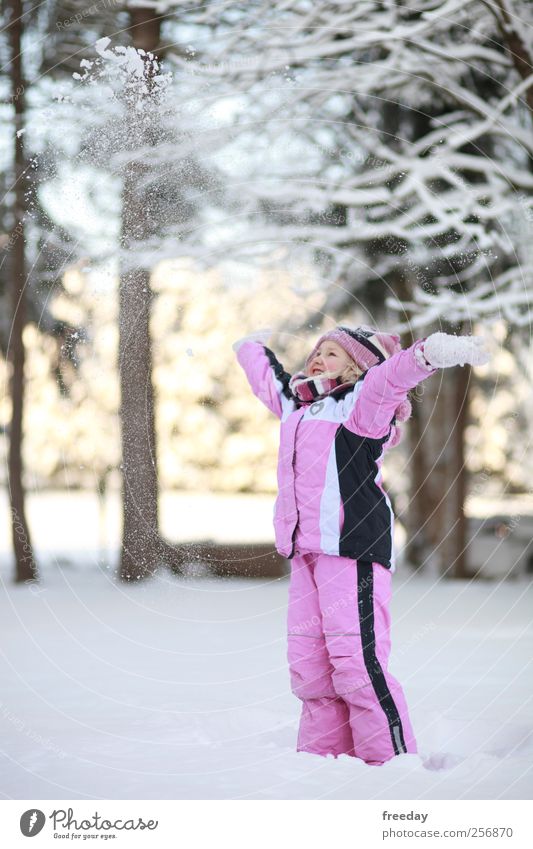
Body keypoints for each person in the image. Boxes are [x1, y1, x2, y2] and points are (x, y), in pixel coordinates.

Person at [233, 325, 490, 766]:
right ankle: (321, 763)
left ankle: (390, 764)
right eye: (316, 352)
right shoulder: (298, 407)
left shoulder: (361, 407)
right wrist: (250, 347)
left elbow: (390, 377)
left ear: (356, 366)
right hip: (307, 552)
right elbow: (269, 381)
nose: (317, 358)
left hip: (351, 550)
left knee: (356, 663)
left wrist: (427, 353)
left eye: (332, 354)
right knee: (310, 667)